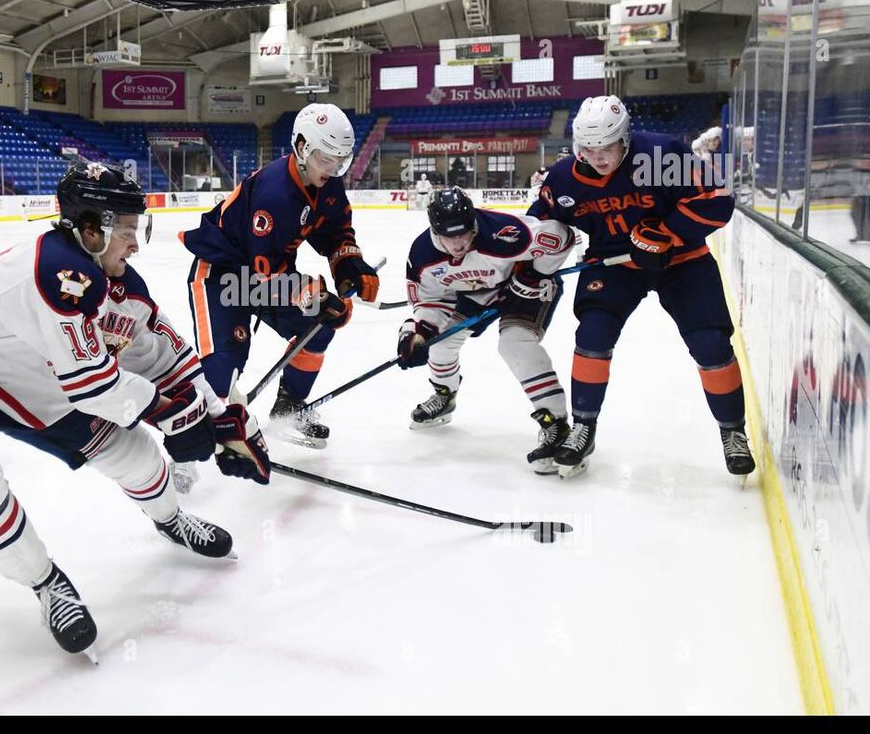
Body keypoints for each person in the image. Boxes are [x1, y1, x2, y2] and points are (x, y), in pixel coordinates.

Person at [0, 162, 270, 658]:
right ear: (91, 230)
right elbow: (95, 385)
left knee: (136, 457)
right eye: (129, 231)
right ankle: (46, 583)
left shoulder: (115, 284)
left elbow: (164, 355)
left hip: (41, 386)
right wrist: (174, 417)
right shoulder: (56, 272)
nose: (137, 243)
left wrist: (219, 416)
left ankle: (171, 519)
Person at [528, 95, 755, 477]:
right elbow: (541, 222)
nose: (597, 157)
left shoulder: (660, 155)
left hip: (681, 260)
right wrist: (524, 259)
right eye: (588, 148)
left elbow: (717, 201)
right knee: (593, 337)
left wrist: (667, 232)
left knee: (711, 344)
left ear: (626, 137)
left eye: (607, 147)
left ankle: (733, 432)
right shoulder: (566, 177)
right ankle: (584, 426)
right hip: (613, 264)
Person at [181, 103, 380, 448]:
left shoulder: (326, 183)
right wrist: (315, 297)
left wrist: (348, 263)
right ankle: (187, 446)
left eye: (340, 161)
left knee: (315, 329)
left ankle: (289, 407)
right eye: (325, 159)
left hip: (265, 275)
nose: (332, 169)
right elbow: (265, 277)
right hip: (222, 276)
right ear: (301, 147)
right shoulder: (275, 195)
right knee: (224, 368)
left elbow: (335, 232)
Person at [398, 187, 575, 473]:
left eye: (463, 235)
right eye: (449, 237)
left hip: (525, 289)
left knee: (514, 344)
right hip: (476, 295)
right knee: (440, 345)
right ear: (434, 230)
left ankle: (556, 425)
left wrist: (534, 274)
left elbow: (562, 238)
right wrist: (420, 333)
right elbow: (430, 300)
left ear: (473, 224)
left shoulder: (503, 232)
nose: (457, 245)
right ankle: (445, 395)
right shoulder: (423, 255)